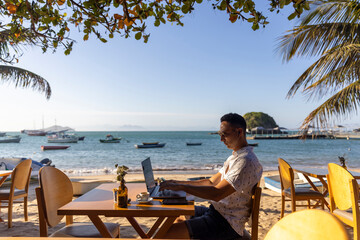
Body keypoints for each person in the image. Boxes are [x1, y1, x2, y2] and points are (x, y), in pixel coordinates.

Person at [160, 113, 263, 240]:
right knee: (179, 214)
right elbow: (210, 182)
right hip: (217, 212)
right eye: (220, 135)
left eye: (224, 134)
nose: (221, 139)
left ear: (239, 132)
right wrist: (176, 183)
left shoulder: (245, 161)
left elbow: (217, 193)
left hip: (226, 223)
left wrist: (182, 187)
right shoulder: (235, 157)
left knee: (164, 234)